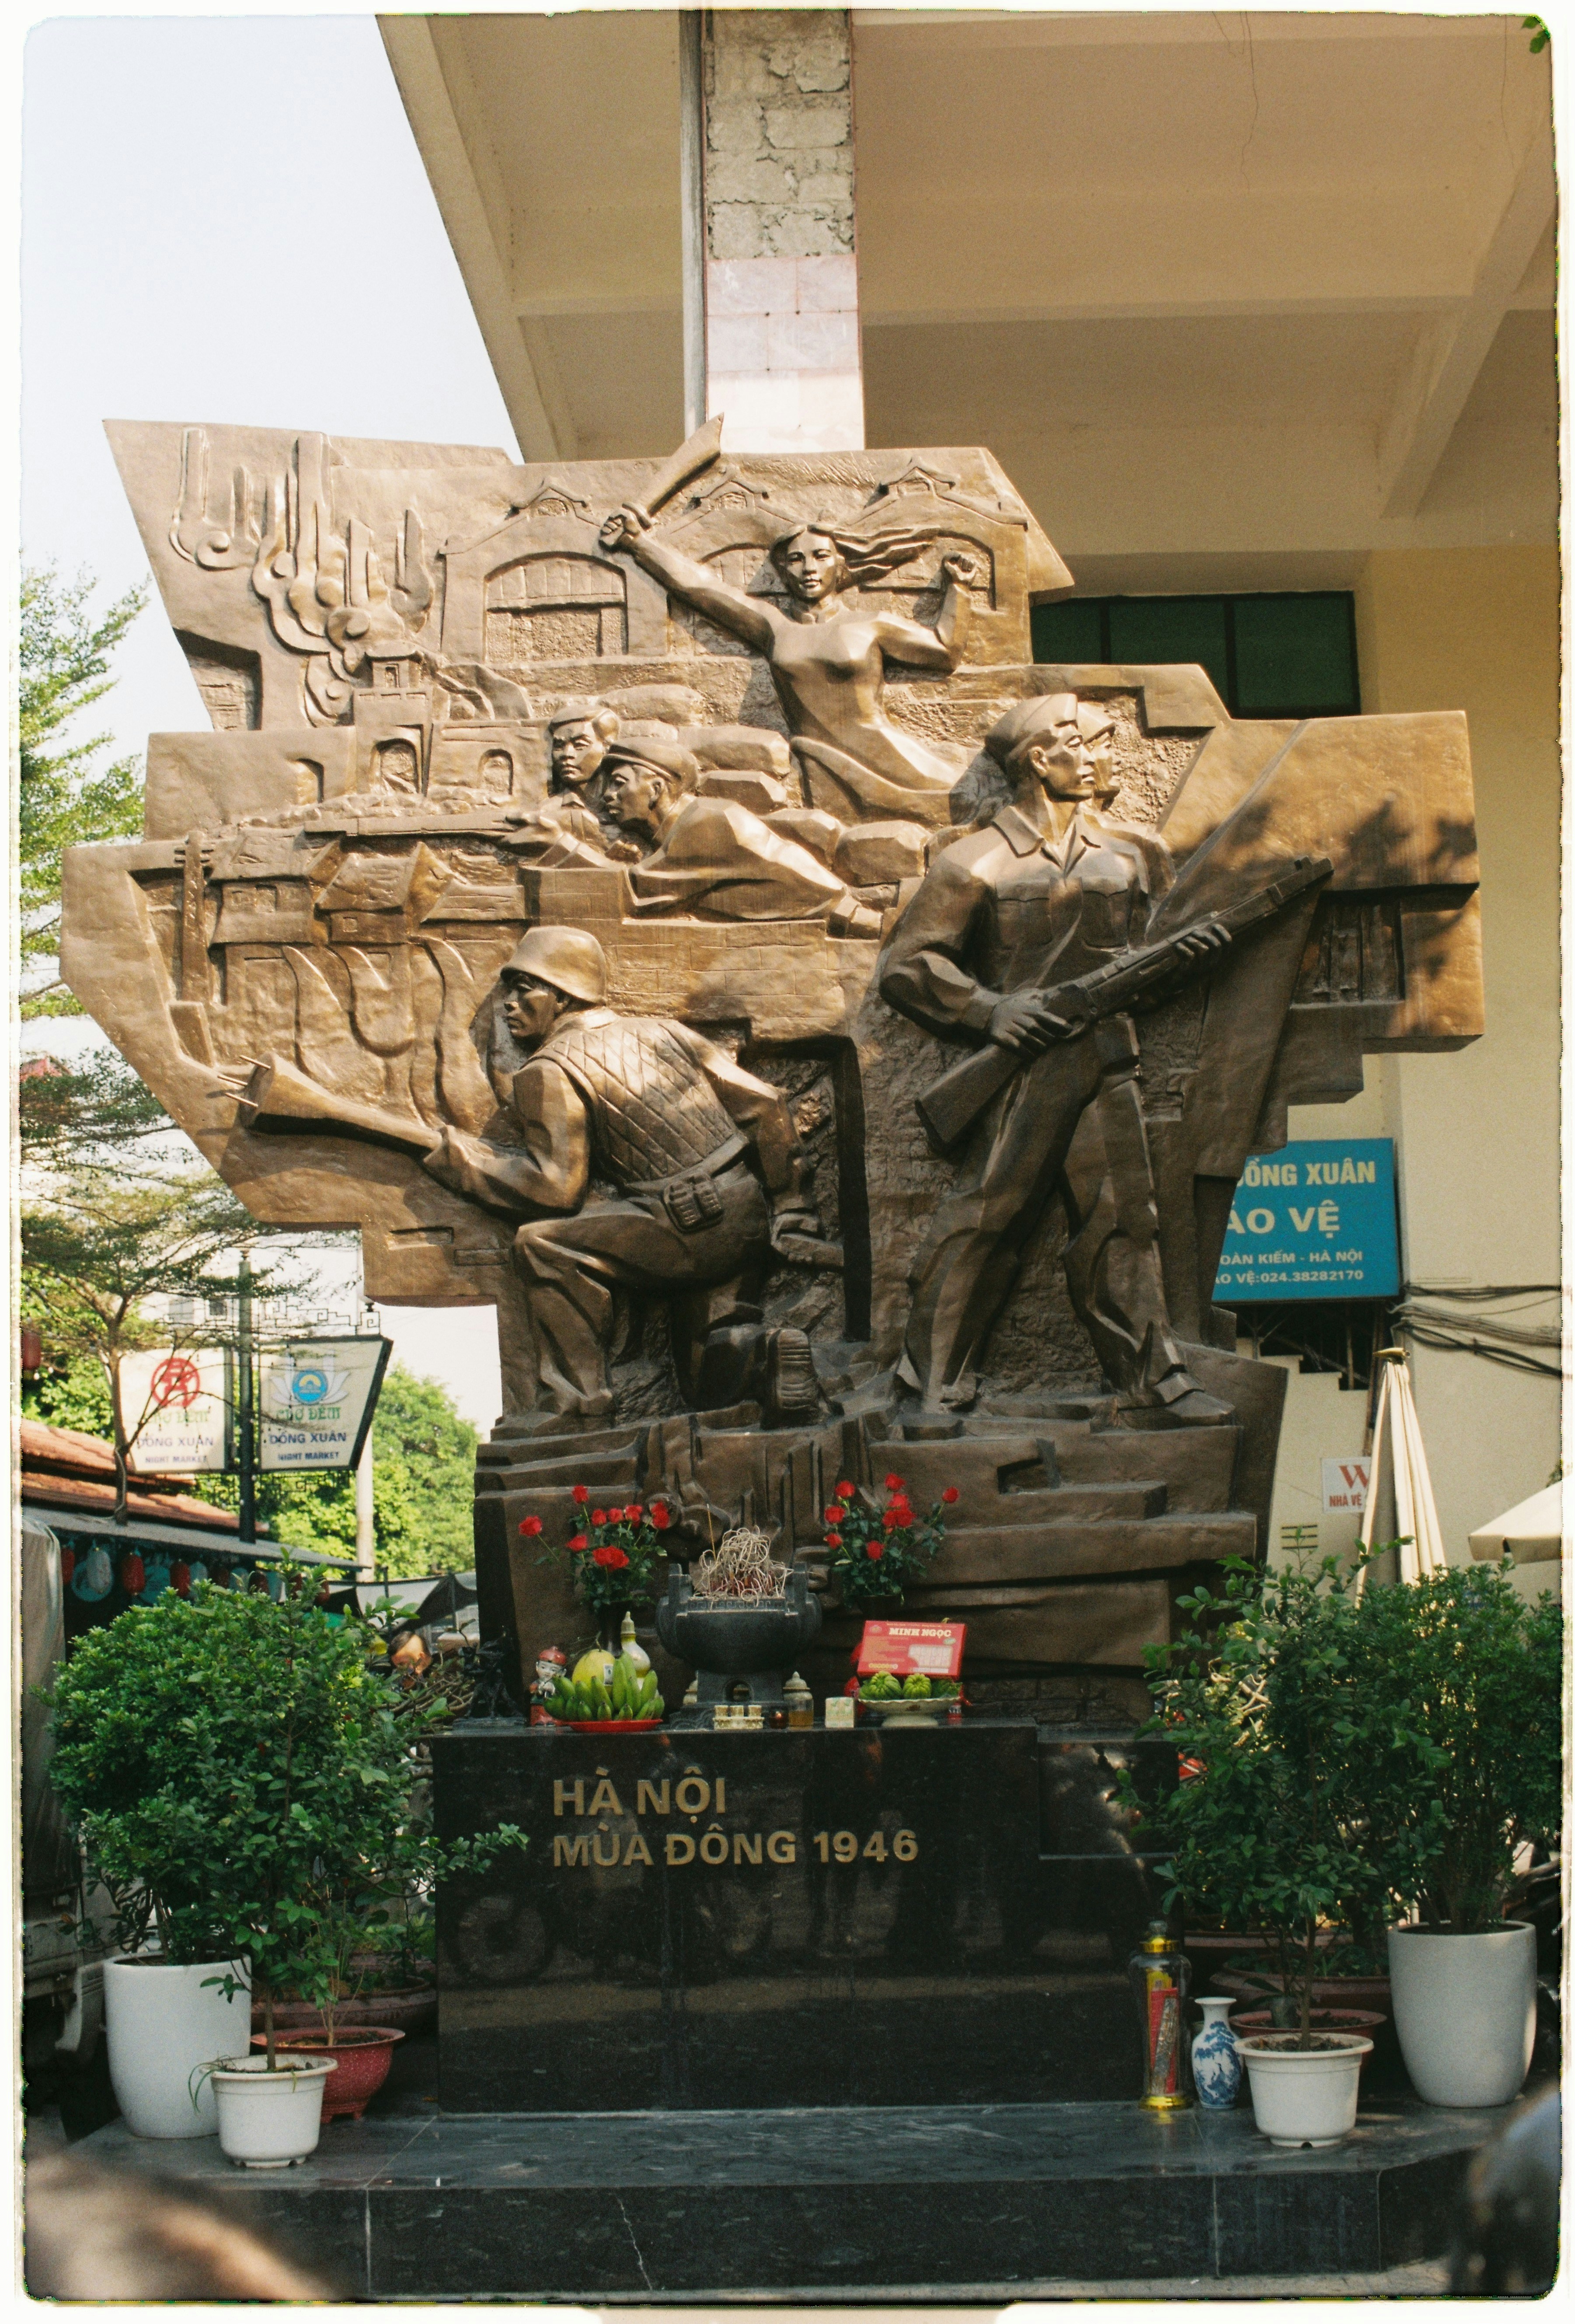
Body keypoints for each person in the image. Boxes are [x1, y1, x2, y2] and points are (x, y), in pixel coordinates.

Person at [879, 692, 1232, 1423]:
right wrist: (989, 1009)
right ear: (1042, 758)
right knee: (986, 1218)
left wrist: (1187, 960)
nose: (1106, 759)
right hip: (1022, 1069)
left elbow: (1143, 965)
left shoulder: (1131, 855)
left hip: (1105, 1061)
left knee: (1125, 1221)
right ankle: (930, 1383)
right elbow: (907, 967)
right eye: (1090, 744)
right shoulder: (971, 862)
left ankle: (1154, 1381)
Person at [421, 927, 826, 1423]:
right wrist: (791, 1206)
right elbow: (766, 1104)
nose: (507, 1004)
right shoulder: (666, 1032)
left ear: (563, 994)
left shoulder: (547, 1069)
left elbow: (556, 1188)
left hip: (679, 1228)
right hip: (745, 1211)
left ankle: (578, 1404)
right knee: (702, 1372)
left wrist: (462, 1163)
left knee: (542, 1245)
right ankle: (767, 1353)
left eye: (523, 987)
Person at [599, 502, 986, 824]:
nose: (809, 569)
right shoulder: (774, 627)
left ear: (841, 564)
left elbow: (944, 651)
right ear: (784, 571)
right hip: (818, 758)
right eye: (796, 560)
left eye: (820, 557)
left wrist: (960, 590)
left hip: (885, 753)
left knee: (969, 804)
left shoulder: (871, 625)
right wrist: (638, 543)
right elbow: (699, 588)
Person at [599, 728, 883, 933]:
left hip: (844, 922)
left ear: (656, 788)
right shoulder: (693, 820)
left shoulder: (705, 822)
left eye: (618, 783)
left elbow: (638, 892)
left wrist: (566, 847)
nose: (607, 796)